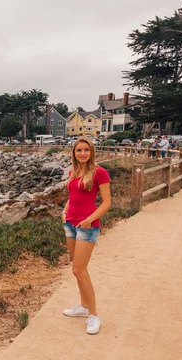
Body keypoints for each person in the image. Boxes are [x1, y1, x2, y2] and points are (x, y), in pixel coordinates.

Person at [61, 137, 111, 335]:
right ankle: (82, 306)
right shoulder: (74, 172)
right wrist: (65, 211)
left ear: (91, 152)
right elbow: (73, 196)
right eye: (79, 150)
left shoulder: (100, 172)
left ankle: (94, 315)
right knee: (76, 270)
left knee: (80, 270)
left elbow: (107, 203)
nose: (82, 153)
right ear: (73, 152)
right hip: (70, 224)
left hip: (87, 226)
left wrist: (89, 220)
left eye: (86, 150)